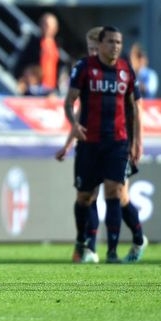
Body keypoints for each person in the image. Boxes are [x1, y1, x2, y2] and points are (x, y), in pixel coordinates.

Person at [56, 26, 147, 264]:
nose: (114, 46)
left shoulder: (125, 71)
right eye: (108, 43)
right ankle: (87, 242)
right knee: (86, 196)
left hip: (117, 142)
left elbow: (135, 107)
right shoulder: (85, 69)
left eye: (118, 42)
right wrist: (71, 136)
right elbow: (75, 107)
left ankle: (109, 251)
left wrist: (137, 141)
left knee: (115, 193)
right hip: (90, 143)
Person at [14, 12, 61, 91]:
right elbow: (22, 62)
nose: (47, 27)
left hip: (51, 87)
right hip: (36, 87)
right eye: (45, 24)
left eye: (49, 25)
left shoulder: (56, 45)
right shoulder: (34, 43)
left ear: (55, 28)